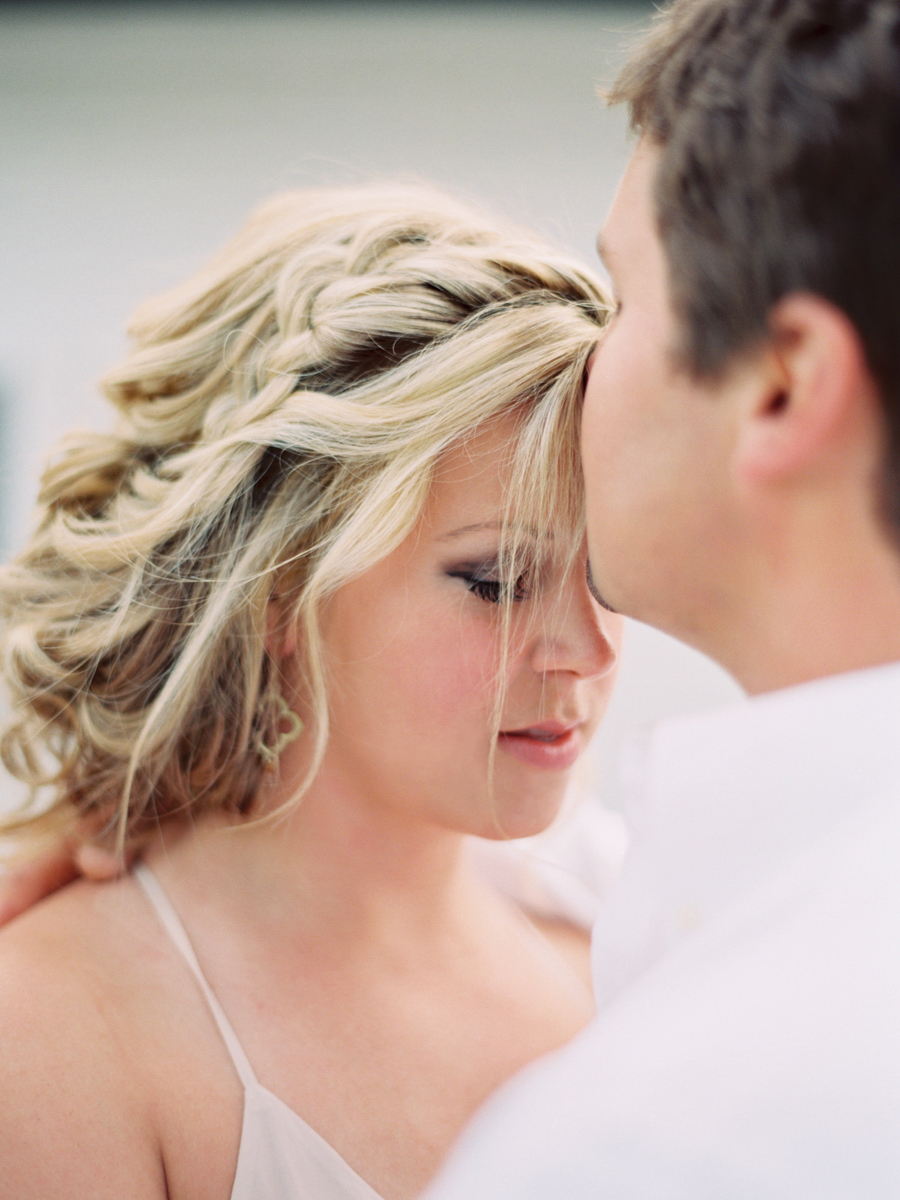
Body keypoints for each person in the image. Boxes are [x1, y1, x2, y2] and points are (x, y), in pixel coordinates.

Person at [0, 184, 626, 1199]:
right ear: (280, 585)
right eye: (497, 583)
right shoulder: (64, 1038)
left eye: (609, 578)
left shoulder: (621, 922)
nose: (591, 652)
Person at [424, 0, 900, 1196]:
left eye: (623, 297)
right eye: (490, 580)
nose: (587, 364)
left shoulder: (646, 1142)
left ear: (783, 388)